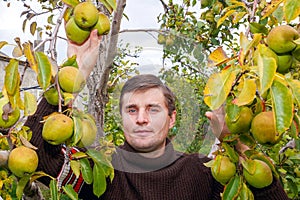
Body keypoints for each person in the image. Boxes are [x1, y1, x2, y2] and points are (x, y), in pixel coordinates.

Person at [24, 30, 289, 200]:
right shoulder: (101, 169)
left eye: (153, 109)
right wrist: (71, 78)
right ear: (123, 118)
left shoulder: (203, 171)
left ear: (172, 119)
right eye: (132, 109)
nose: (141, 118)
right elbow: (36, 155)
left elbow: (269, 194)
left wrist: (235, 142)